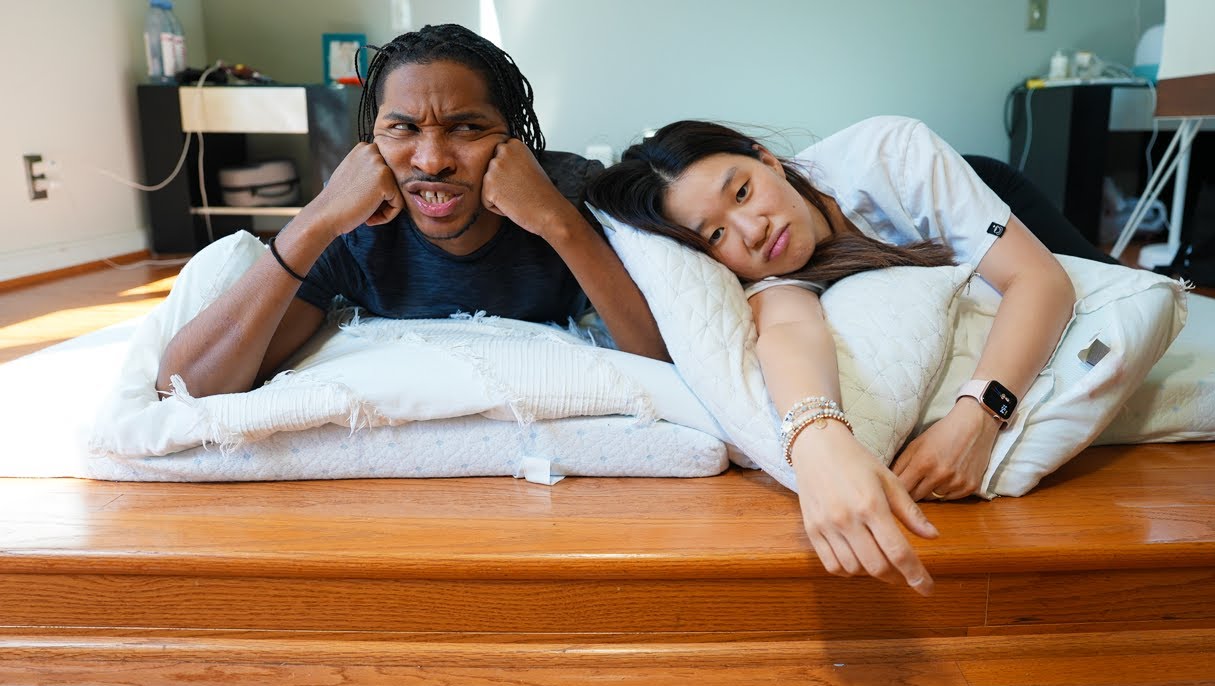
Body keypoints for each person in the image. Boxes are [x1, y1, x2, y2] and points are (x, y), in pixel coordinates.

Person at [587, 116, 1087, 595]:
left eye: (742, 192)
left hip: (988, 194)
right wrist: (818, 444)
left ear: (768, 160)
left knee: (1101, 281)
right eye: (715, 234)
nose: (751, 229)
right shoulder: (758, 273)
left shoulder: (891, 155)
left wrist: (977, 418)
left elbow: (1039, 279)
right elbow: (787, 330)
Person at [156, 24, 667, 398]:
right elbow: (184, 386)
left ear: (512, 138)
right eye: (402, 128)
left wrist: (557, 223)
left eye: (467, 128)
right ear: (372, 139)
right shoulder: (354, 226)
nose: (432, 160)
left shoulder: (571, 192)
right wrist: (317, 218)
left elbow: (665, 361)